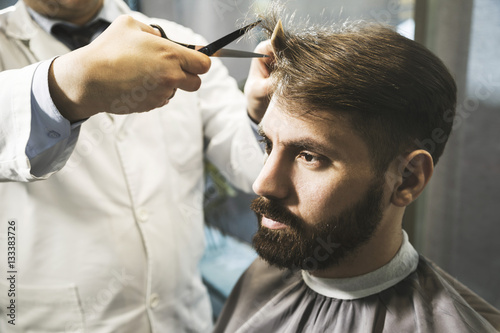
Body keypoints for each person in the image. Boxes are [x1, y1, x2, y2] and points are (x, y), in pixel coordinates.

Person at [213, 13, 500, 333]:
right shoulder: (263, 276)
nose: (263, 183)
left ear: (407, 178)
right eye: (268, 144)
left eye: (309, 156)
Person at [0, 0, 271, 332]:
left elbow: (247, 161)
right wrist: (69, 83)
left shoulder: (178, 38)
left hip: (183, 318)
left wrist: (262, 114)